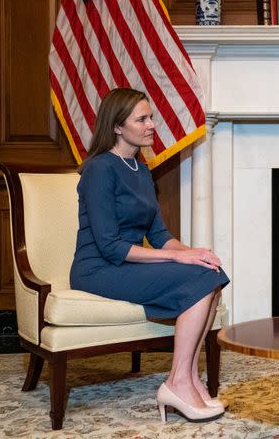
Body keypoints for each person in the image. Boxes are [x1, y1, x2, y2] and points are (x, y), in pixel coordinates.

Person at [70, 88, 230, 423]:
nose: (152, 124)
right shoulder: (100, 170)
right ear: (117, 126)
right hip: (99, 268)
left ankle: (187, 378)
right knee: (200, 280)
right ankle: (177, 383)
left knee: (211, 273)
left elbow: (158, 234)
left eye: (151, 117)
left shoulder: (140, 169)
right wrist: (175, 259)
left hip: (127, 262)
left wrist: (194, 253)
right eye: (142, 119)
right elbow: (110, 246)